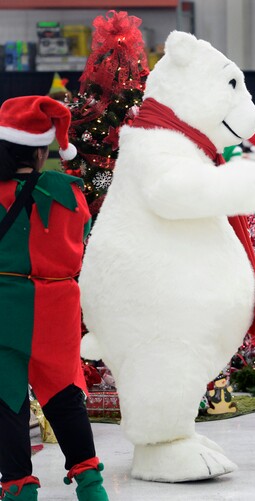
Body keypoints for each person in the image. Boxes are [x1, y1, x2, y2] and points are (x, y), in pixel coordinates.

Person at [0, 96, 109, 500]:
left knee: (7, 398)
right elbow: (82, 238)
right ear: (41, 149)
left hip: (4, 302)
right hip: (57, 304)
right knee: (65, 395)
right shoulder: (69, 190)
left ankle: (18, 488)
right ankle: (90, 483)